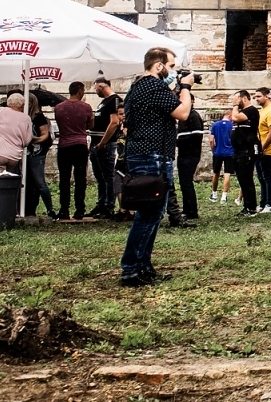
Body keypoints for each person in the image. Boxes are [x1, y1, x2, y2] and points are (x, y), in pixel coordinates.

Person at [120, 48, 193, 287]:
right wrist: (186, 87)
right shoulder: (153, 86)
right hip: (151, 155)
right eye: (171, 66)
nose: (172, 71)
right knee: (149, 214)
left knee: (153, 214)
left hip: (145, 153)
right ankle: (131, 269)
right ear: (159, 66)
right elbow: (182, 112)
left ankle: (143, 266)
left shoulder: (137, 87)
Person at [53, 82, 93, 220]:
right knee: (80, 179)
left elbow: (59, 123)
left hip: (64, 145)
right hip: (80, 145)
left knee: (64, 179)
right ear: (80, 91)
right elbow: (90, 124)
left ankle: (64, 209)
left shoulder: (58, 108)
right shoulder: (86, 107)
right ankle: (79, 210)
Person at [89, 78, 123, 219]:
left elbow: (114, 122)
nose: (95, 90)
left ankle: (109, 206)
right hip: (96, 143)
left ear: (101, 86)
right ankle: (101, 203)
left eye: (95, 87)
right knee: (100, 177)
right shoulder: (103, 102)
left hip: (106, 144)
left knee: (108, 176)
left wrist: (103, 142)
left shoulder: (114, 100)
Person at [226, 90, 261, 217]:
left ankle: (251, 208)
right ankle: (247, 206)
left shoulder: (251, 110)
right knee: (242, 179)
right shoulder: (242, 112)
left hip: (247, 150)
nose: (235, 102)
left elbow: (234, 117)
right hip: (238, 151)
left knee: (246, 179)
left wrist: (235, 105)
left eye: (237, 99)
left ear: (244, 98)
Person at [171, 91, 203, 225]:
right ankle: (188, 209)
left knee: (186, 182)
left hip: (190, 154)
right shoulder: (183, 118)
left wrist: (178, 141)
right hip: (184, 154)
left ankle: (191, 211)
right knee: (184, 183)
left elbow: (196, 136)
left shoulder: (193, 116)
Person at [0, 92, 33, 173]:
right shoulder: (26, 118)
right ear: (22, 105)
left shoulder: (0, 111)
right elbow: (27, 140)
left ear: (8, 102)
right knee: (10, 179)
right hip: (14, 157)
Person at [23, 96, 54, 216]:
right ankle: (28, 209)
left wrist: (34, 140)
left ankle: (50, 209)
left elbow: (45, 134)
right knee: (27, 182)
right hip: (24, 153)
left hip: (36, 153)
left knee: (39, 182)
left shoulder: (38, 117)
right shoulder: (22, 116)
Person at [254, 88, 271, 212]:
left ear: (267, 96)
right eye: (255, 97)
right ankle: (263, 203)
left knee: (267, 177)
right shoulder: (262, 111)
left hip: (267, 150)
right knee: (261, 177)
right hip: (259, 149)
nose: (256, 99)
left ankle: (270, 204)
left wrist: (262, 147)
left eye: (258, 96)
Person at [209, 108, 235, 205]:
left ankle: (214, 194)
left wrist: (213, 150)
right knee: (227, 173)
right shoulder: (232, 126)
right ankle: (224, 197)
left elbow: (211, 140)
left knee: (216, 173)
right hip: (229, 152)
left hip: (218, 152)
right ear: (230, 115)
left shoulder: (215, 125)